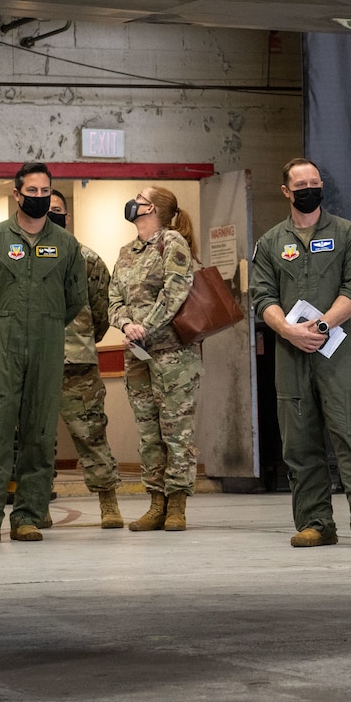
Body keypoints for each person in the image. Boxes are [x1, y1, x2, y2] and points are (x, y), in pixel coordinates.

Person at [250, 159, 351, 549]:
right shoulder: (271, 243)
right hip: (290, 354)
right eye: (301, 183)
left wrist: (324, 325)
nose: (310, 188)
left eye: (315, 182)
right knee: (299, 442)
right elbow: (262, 296)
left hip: (336, 351)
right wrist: (288, 330)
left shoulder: (348, 234)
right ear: (286, 192)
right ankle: (316, 523)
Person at [0, 161, 86, 543]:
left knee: (40, 431)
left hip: (47, 343)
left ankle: (29, 515)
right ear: (17, 195)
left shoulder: (66, 245)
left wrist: (46, 323)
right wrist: (0, 322)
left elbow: (75, 298)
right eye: (31, 192)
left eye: (44, 192)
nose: (38, 198)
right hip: (2, 342)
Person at [111, 186, 202, 532]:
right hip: (138, 355)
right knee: (148, 432)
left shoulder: (172, 243)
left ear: (150, 209)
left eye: (139, 198)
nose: (132, 202)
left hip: (173, 356)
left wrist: (143, 327)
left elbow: (175, 292)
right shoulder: (126, 252)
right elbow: (113, 298)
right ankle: (156, 503)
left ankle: (176, 504)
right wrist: (125, 324)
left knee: (175, 431)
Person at [49, 189, 126, 529]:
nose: (51, 213)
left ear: (66, 216)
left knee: (91, 433)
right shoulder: (19, 254)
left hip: (77, 362)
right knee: (34, 441)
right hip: (33, 361)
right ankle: (37, 505)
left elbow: (102, 309)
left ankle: (108, 502)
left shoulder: (87, 258)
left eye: (57, 209)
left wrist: (82, 340)